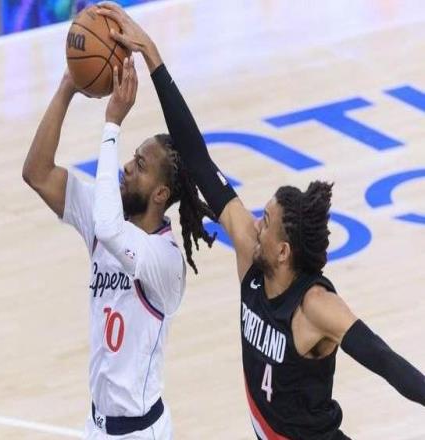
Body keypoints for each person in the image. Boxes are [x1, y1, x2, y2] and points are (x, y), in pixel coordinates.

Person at [96, 3, 425, 439]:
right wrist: (153, 56)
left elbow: (385, 361)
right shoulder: (252, 258)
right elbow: (197, 158)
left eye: (265, 221)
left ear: (284, 251)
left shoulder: (315, 306)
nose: (254, 223)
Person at [22, 57, 215, 439]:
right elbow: (37, 173)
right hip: (96, 425)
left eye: (140, 165)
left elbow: (110, 230)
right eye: (132, 158)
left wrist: (112, 123)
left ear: (160, 194)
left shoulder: (165, 260)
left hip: (139, 432)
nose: (127, 166)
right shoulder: (106, 216)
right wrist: (68, 86)